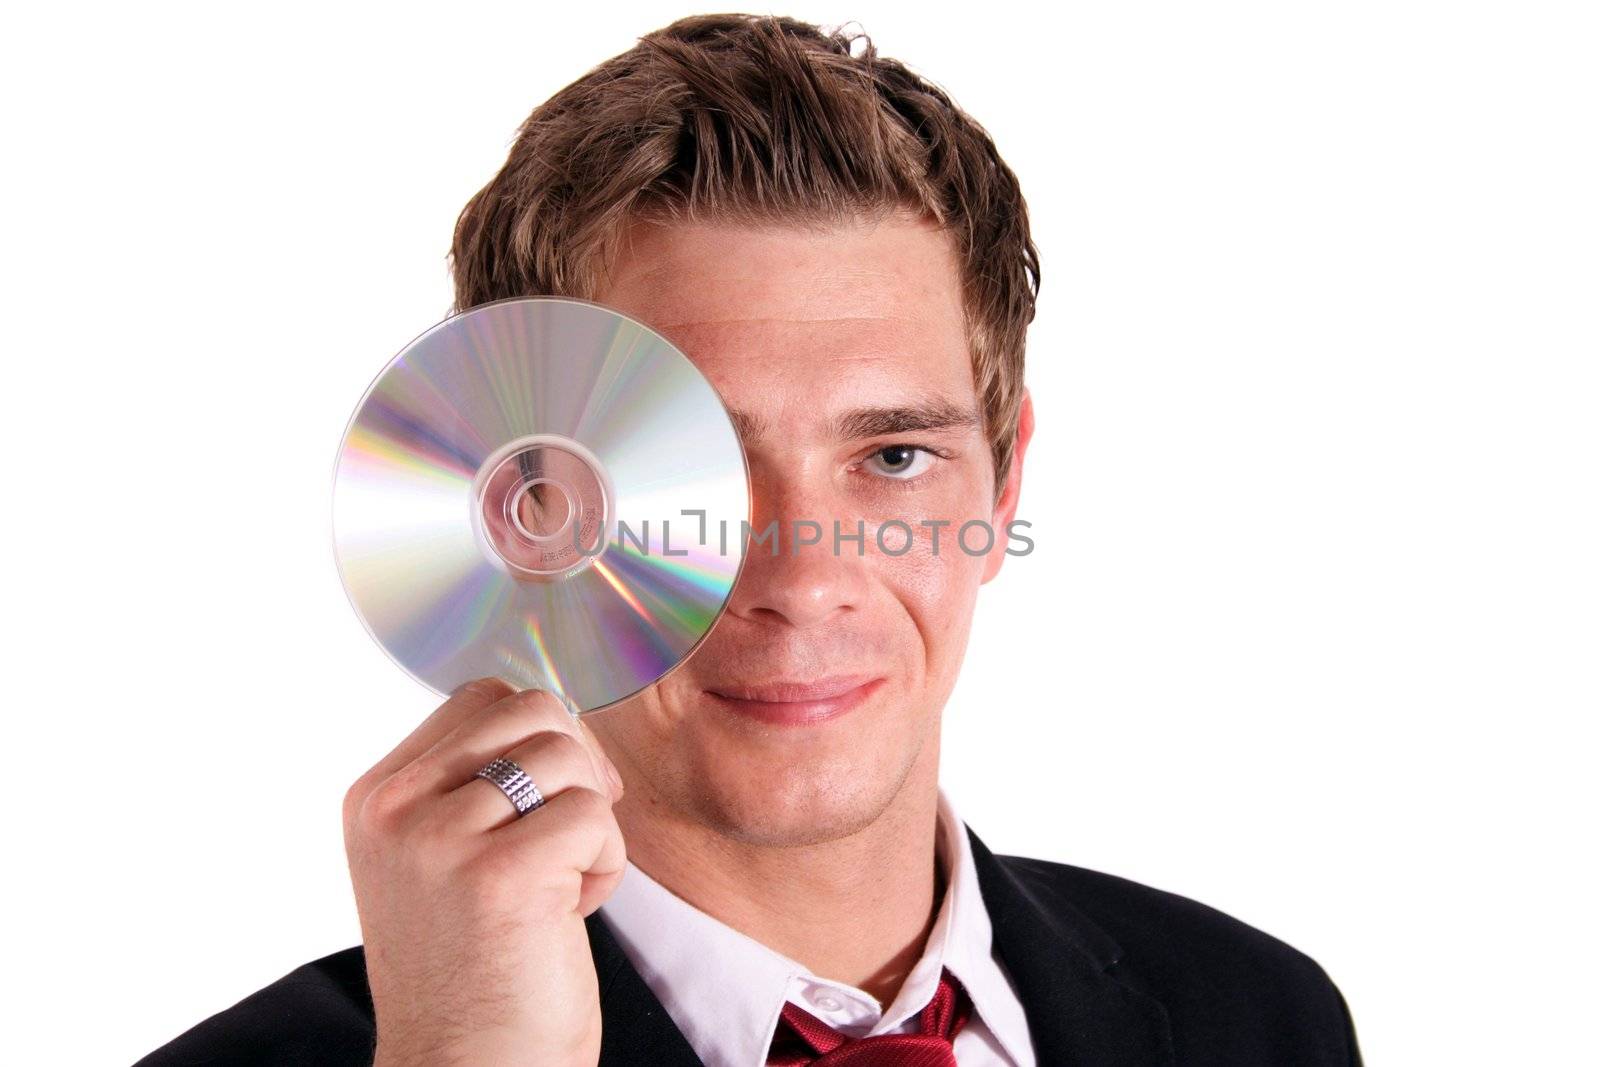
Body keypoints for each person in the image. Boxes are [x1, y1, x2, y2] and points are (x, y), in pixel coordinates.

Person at [138, 13, 1362, 1066]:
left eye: (892, 457)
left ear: (1002, 485)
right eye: (694, 475)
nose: (800, 578)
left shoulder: (1259, 1016)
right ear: (528, 511)